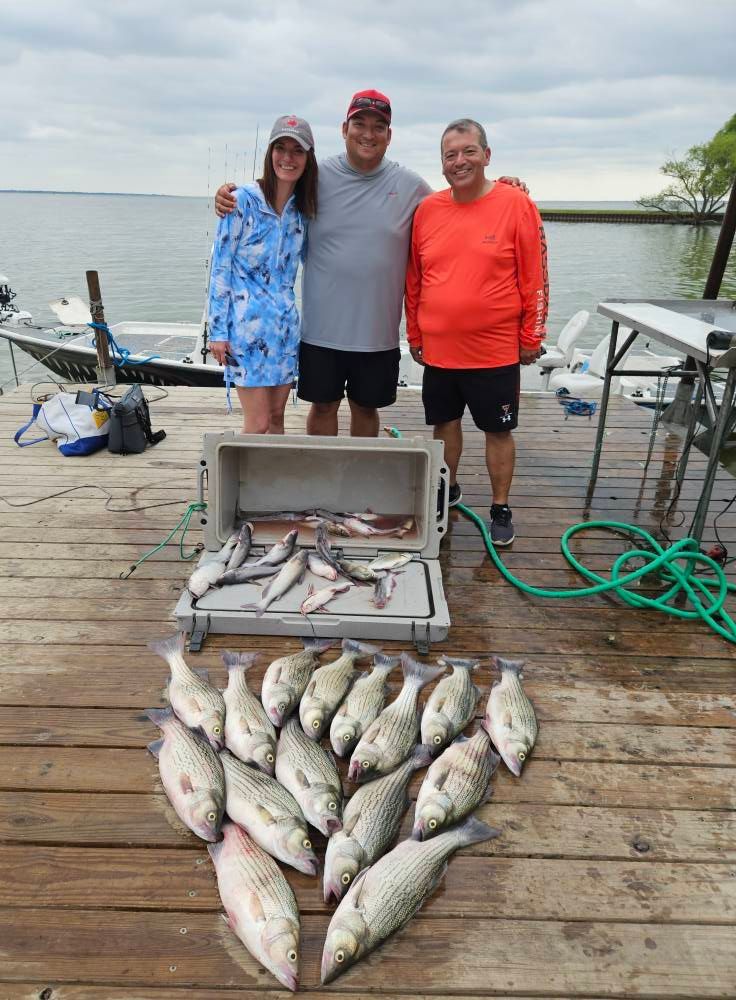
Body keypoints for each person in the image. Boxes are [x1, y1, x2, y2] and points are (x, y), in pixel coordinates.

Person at [215, 91, 525, 438]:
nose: (368, 133)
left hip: (378, 336)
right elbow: (277, 184)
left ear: (389, 136)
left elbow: (457, 199)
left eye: (379, 127)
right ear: (344, 128)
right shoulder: (315, 177)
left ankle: (358, 483)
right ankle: (323, 483)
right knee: (323, 407)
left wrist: (500, 188)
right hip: (321, 333)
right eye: (359, 124)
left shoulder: (409, 186)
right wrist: (230, 195)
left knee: (366, 409)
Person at [405, 118, 548, 545]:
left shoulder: (516, 203)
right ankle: (446, 488)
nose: (460, 161)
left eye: (469, 151)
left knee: (498, 431)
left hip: (495, 352)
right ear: (442, 164)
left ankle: (500, 507)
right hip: (441, 352)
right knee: (445, 425)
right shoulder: (428, 210)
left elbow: (534, 276)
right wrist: (415, 334)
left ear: (487, 155)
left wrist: (532, 336)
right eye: (451, 155)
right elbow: (414, 279)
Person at [208, 115, 318, 433]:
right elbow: (221, 267)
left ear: (308, 158)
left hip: (284, 328)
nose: (288, 157)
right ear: (270, 154)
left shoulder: (304, 211)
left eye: (297, 150)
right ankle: (242, 483)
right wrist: (218, 332)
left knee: (277, 418)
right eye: (280, 148)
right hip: (245, 330)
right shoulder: (241, 201)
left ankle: (274, 482)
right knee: (257, 423)